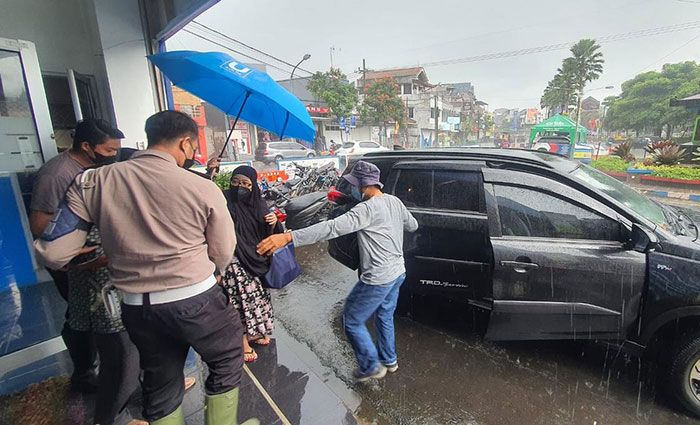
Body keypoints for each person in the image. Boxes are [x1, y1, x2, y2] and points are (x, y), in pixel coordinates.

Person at [35, 110, 257, 425]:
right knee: (226, 357)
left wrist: (102, 254)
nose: (191, 154)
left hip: (137, 307)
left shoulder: (91, 181)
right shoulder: (202, 188)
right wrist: (215, 273)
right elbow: (223, 249)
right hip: (196, 300)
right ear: (185, 143)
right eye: (192, 148)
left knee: (161, 375)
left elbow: (54, 252)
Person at [257, 160, 418, 382]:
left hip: (378, 277)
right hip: (398, 272)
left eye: (354, 184)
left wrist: (288, 236)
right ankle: (390, 361)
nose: (352, 188)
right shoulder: (395, 202)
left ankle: (371, 365)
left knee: (351, 320)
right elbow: (413, 225)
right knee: (384, 315)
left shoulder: (366, 208)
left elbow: (330, 228)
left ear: (362, 185)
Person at [29, 119, 123, 393]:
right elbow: (39, 226)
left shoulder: (93, 169)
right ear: (86, 146)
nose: (114, 155)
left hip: (95, 259)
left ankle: (94, 372)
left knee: (91, 315)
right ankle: (87, 375)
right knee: (83, 318)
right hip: (73, 261)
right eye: (108, 150)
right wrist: (78, 253)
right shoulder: (57, 175)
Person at [221, 166, 283, 363]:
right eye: (236, 182)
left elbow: (269, 233)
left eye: (246, 183)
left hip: (255, 257)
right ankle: (242, 342)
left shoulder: (259, 203)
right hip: (233, 259)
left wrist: (273, 222)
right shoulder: (223, 201)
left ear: (254, 185)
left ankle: (254, 332)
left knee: (257, 298)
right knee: (239, 302)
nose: (240, 187)